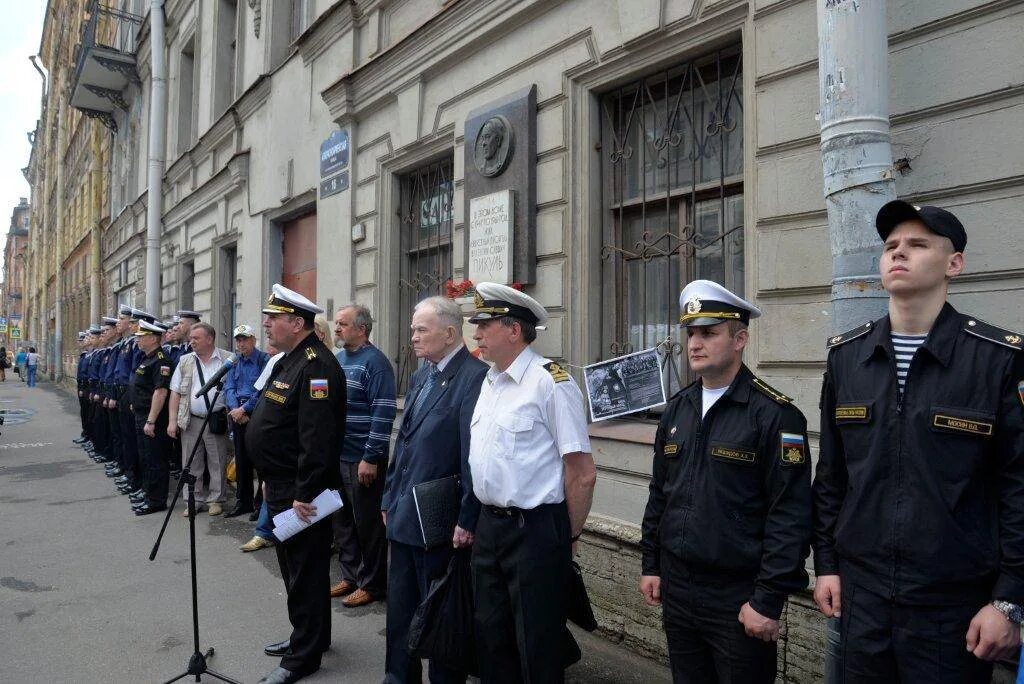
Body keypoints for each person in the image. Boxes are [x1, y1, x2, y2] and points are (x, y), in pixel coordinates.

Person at [812, 200, 1024, 682]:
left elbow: (1019, 487)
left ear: (955, 264)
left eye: (917, 244)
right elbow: (832, 477)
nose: (898, 254)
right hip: (861, 599)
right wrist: (825, 564)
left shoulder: (997, 360)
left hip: (953, 607)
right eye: (890, 246)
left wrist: (1009, 600)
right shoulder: (848, 357)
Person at [639, 280, 812, 683]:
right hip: (678, 589)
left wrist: (767, 600)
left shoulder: (774, 415)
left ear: (740, 339)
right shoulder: (678, 410)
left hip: (738, 595)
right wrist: (651, 563)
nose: (695, 343)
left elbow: (790, 515)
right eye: (692, 333)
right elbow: (660, 495)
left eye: (709, 333)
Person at [467, 282, 597, 683]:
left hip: (535, 530)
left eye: (485, 325)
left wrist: (569, 535)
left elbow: (582, 472)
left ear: (513, 330)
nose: (477, 334)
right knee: (492, 637)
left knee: (537, 644)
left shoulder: (551, 382)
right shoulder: (489, 381)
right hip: (489, 526)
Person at [382, 296, 487, 683]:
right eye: (413, 329)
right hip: (405, 514)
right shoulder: (423, 374)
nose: (413, 337)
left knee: (441, 616)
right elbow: (404, 441)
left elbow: (473, 457)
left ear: (450, 333)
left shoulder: (475, 378)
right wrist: (388, 496)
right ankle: (397, 678)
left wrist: (467, 517)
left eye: (421, 330)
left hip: (441, 524)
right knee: (400, 613)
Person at [247, 284, 346, 684]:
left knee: (305, 570)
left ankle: (303, 657)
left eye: (273, 318)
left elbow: (317, 439)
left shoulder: (316, 366)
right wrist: (269, 480)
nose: (267, 324)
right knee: (295, 569)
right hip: (283, 485)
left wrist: (304, 495)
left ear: (297, 323)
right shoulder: (290, 361)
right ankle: (309, 637)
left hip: (302, 493)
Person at [330, 304, 396, 607]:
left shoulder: (376, 363)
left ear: (362, 328)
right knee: (342, 521)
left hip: (363, 459)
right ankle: (351, 576)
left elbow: (383, 414)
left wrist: (370, 457)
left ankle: (373, 583)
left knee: (367, 524)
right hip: (338, 456)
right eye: (337, 324)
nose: (337, 329)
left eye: (343, 324)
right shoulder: (338, 359)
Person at [167, 322, 233, 517]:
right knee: (190, 460)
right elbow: (175, 392)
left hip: (216, 418)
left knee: (217, 460)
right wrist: (172, 420)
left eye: (196, 338)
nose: (191, 341)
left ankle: (216, 499)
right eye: (191, 338)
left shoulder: (227, 359)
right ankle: (193, 500)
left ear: (210, 339)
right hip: (191, 419)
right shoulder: (185, 361)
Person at [127, 320, 176, 516]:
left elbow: (160, 392)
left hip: (153, 419)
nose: (138, 339)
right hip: (141, 414)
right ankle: (148, 493)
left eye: (142, 336)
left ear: (154, 338)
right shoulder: (146, 357)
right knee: (145, 457)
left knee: (156, 459)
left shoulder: (161, 360)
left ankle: (156, 501)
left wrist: (151, 420)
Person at [224, 324, 270, 517]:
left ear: (253, 339)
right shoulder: (235, 361)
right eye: (238, 340)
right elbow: (229, 387)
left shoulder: (263, 360)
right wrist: (235, 409)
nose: (241, 343)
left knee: (259, 462)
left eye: (244, 339)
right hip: (237, 413)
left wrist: (244, 409)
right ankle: (243, 502)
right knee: (241, 460)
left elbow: (263, 389)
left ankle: (260, 505)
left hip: (255, 413)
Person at [240, 342, 282, 552]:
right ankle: (264, 532)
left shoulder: (321, 361)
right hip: (274, 442)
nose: (268, 326)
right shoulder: (277, 361)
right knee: (271, 488)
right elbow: (260, 394)